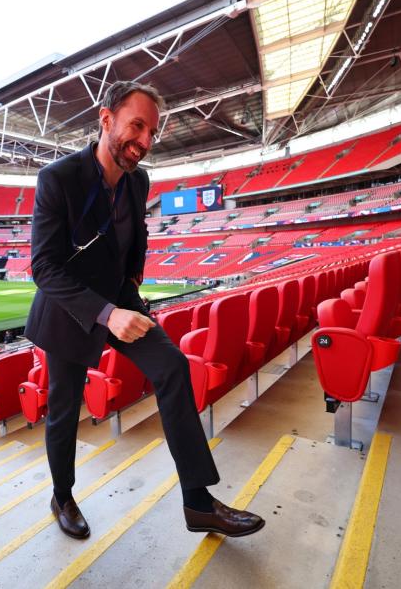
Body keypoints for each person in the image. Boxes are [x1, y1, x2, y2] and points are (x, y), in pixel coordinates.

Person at [24, 81, 263, 540]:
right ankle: (63, 495)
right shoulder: (58, 178)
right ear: (106, 118)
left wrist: (130, 288)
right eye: (137, 126)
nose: (146, 142)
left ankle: (198, 502)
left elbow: (137, 239)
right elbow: (44, 267)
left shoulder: (139, 180)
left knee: (172, 366)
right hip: (69, 310)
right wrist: (105, 313)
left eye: (152, 132)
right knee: (64, 409)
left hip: (121, 299)